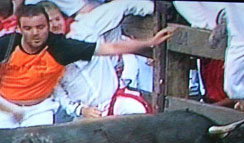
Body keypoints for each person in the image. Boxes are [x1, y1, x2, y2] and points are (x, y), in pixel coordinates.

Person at [0, 3, 174, 128]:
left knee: (140, 121)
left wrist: (153, 12)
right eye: (30, 28)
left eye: (55, 20)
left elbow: (120, 14)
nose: (54, 26)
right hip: (84, 115)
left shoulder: (84, 30)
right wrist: (81, 110)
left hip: (115, 100)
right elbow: (60, 96)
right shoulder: (26, 50)